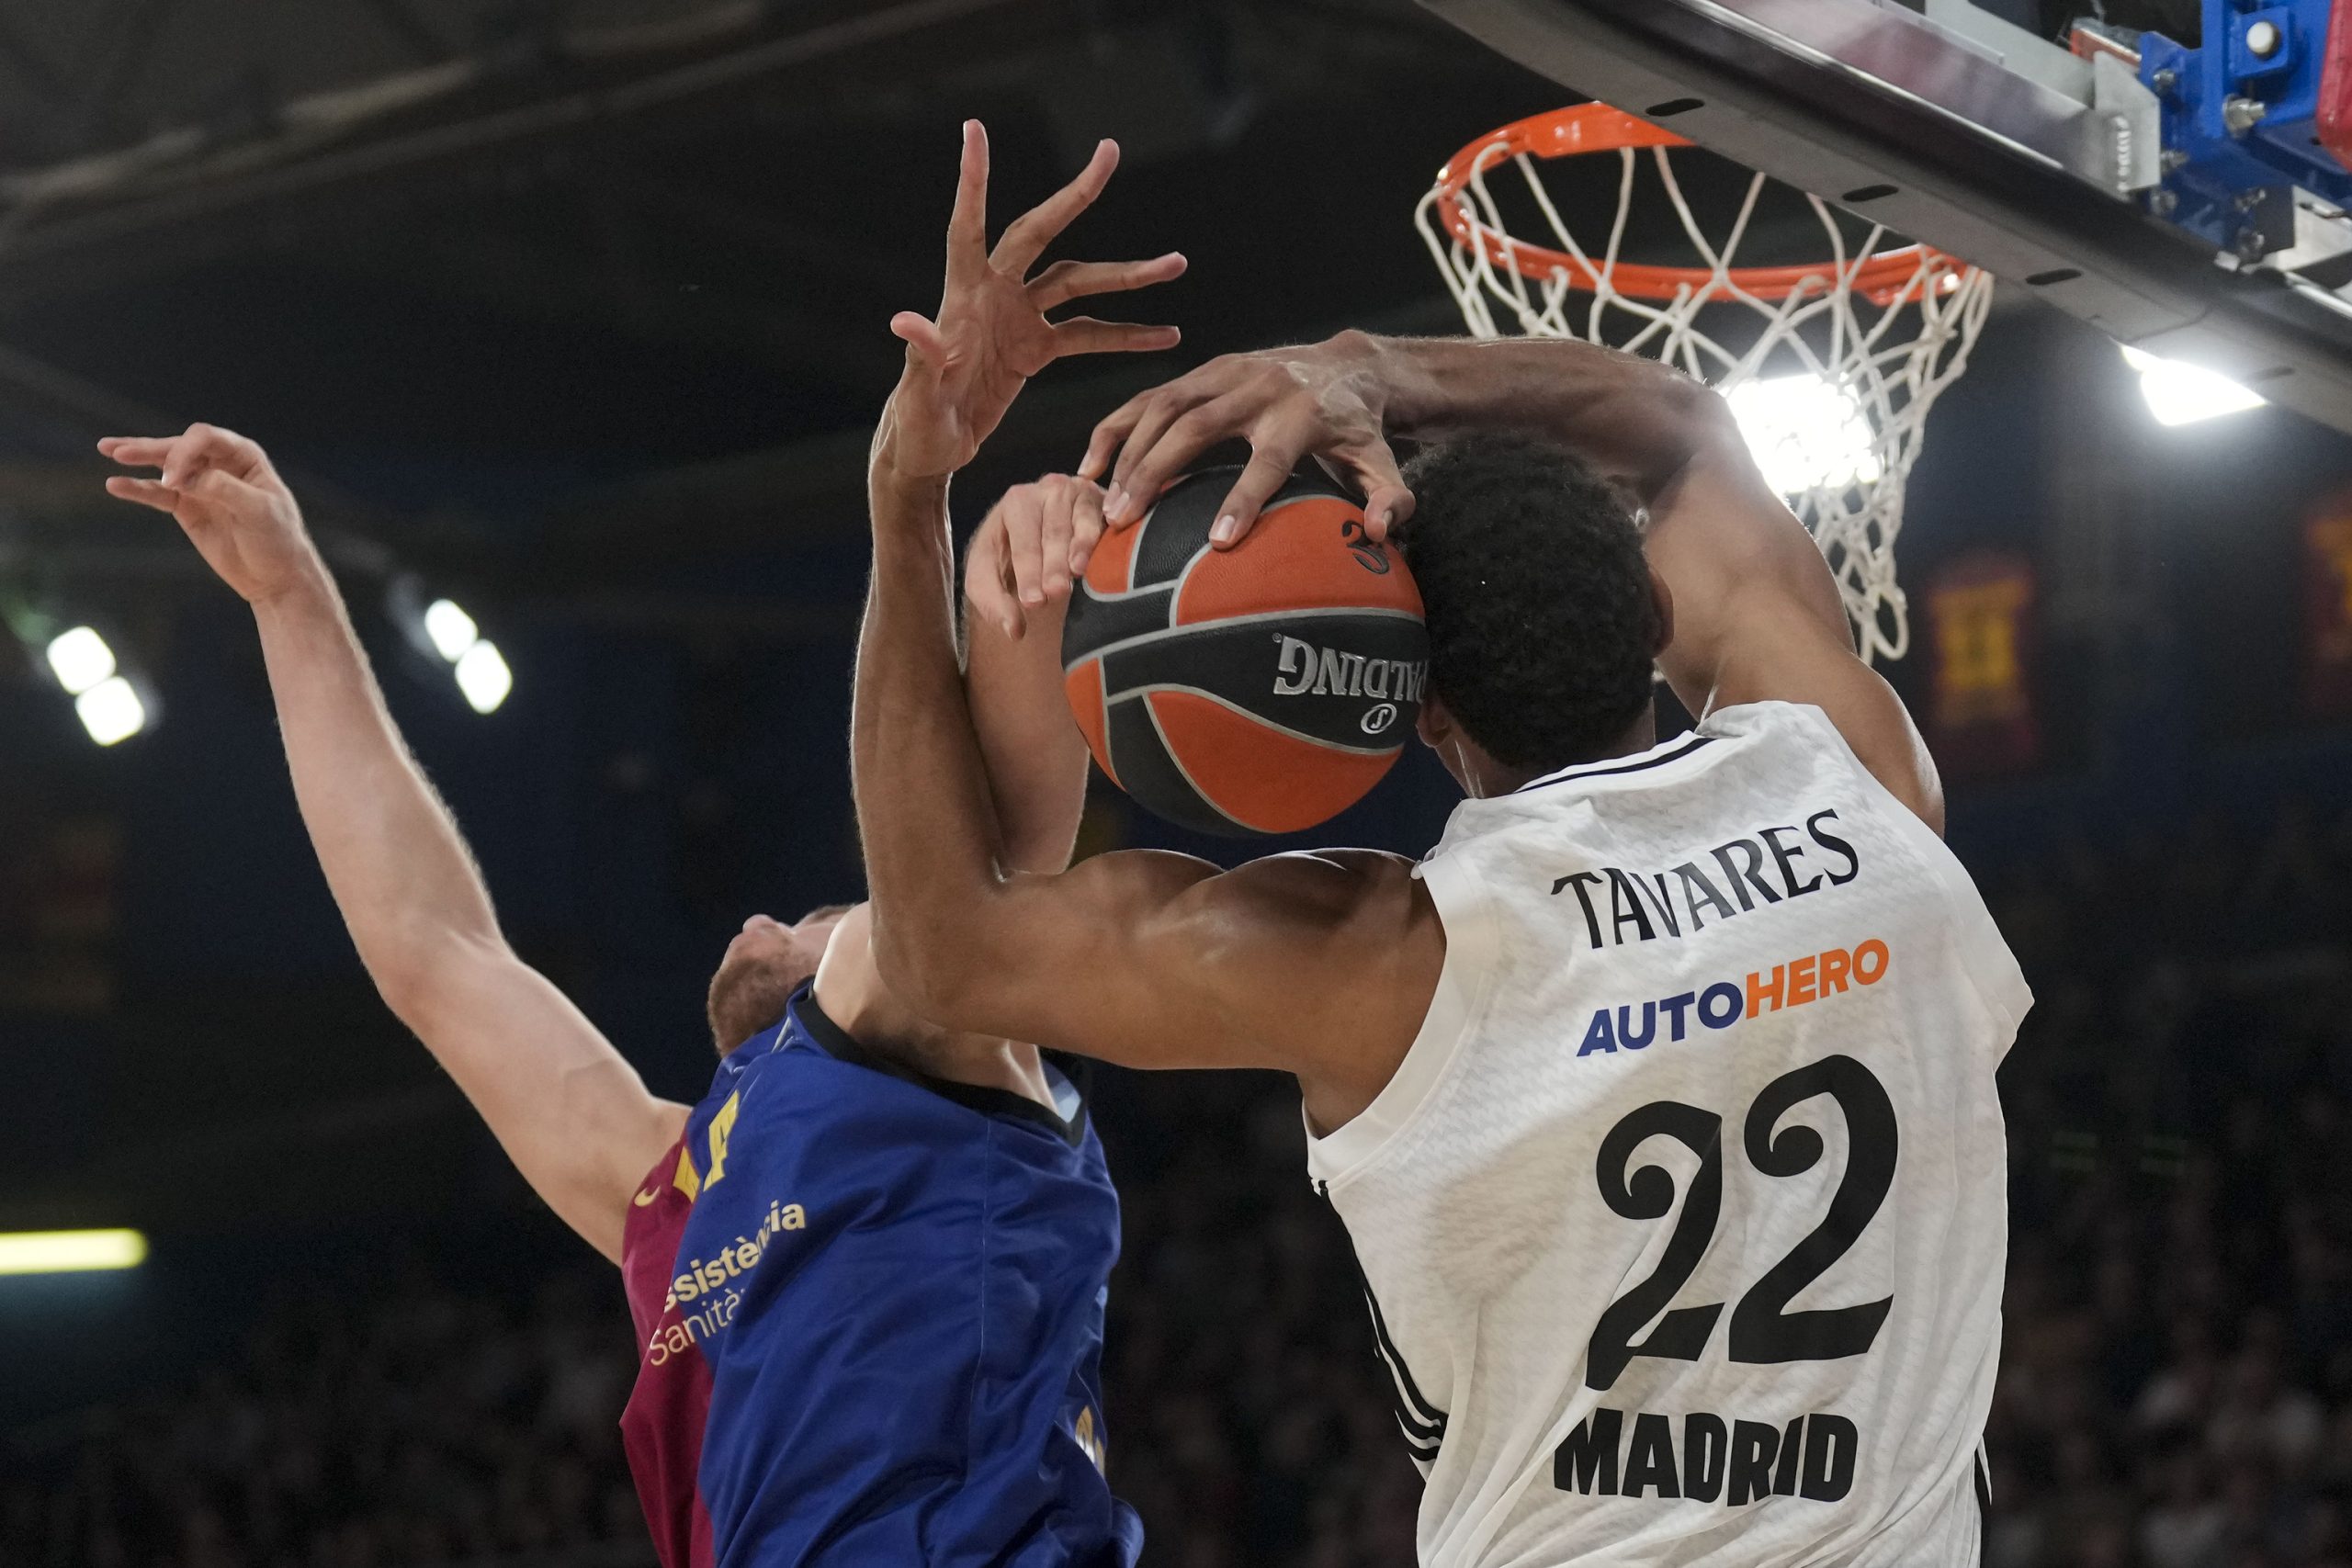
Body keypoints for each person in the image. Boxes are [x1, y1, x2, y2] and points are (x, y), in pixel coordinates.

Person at [856, 119, 2030, 1567]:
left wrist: (911, 494)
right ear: (1657, 624)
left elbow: (945, 947)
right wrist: (1361, 370)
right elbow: (1689, 430)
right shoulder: (1864, 789)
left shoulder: (1390, 959)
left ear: (1412, 715)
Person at [98, 148, 1181, 1567]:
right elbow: (435, 955)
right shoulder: (678, 1183)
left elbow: (971, 885)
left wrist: (949, 521)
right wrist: (292, 593)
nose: (765, 916)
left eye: (812, 913)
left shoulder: (922, 1032)